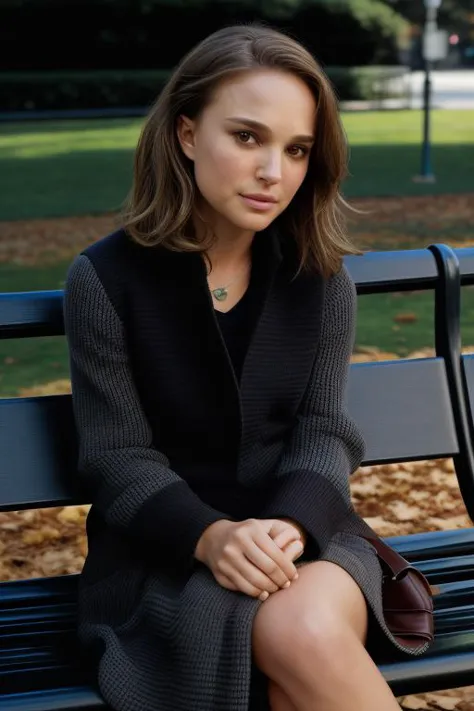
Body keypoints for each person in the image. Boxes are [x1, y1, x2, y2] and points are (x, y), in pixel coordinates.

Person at [63, 23, 432, 711]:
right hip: (163, 557)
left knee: (300, 625)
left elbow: (325, 430)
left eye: (296, 150)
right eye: (247, 137)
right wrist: (212, 536)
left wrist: (289, 526)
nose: (274, 172)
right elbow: (117, 457)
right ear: (186, 134)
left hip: (309, 533)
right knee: (291, 668)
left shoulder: (319, 279)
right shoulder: (106, 279)